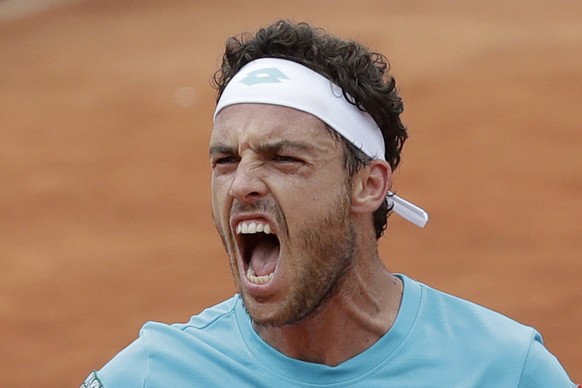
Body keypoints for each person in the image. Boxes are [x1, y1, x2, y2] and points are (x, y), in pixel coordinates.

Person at [82, 20, 576, 387]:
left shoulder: (503, 370)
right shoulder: (154, 375)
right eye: (226, 160)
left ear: (367, 184)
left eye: (285, 158)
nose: (242, 185)